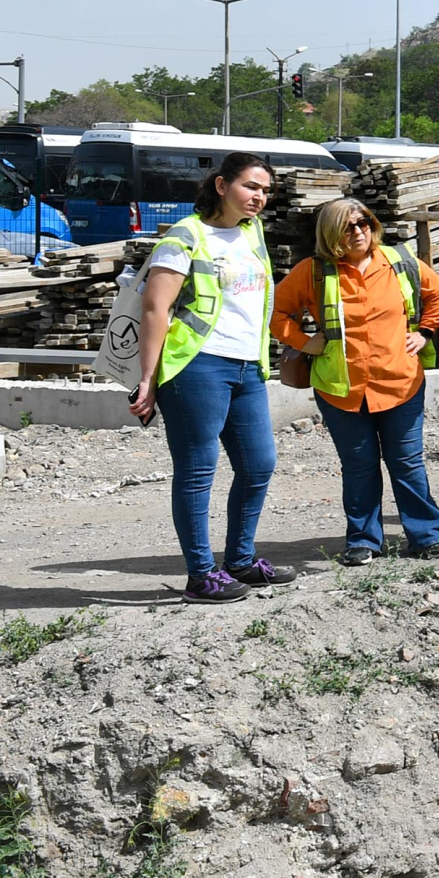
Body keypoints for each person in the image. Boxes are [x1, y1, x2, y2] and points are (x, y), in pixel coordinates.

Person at [126, 151, 289, 603]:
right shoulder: (184, 237)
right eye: (251, 186)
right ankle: (201, 574)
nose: (259, 197)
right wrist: (148, 378)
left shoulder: (251, 233)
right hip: (196, 366)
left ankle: (240, 561)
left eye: (265, 190)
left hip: (247, 366)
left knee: (259, 465)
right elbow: (156, 309)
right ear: (222, 185)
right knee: (198, 471)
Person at [271, 197, 439, 565]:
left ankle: (427, 536)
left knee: (407, 463)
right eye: (348, 226)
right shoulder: (313, 271)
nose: (358, 231)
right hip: (342, 391)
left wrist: (425, 332)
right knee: (359, 468)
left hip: (400, 383)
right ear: (330, 233)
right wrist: (305, 341)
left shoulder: (398, 261)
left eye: (364, 223)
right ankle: (363, 540)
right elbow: (275, 312)